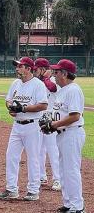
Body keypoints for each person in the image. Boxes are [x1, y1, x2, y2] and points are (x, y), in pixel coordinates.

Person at [0, 56, 48, 201]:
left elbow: (43, 105)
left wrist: (23, 108)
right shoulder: (16, 83)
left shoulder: (37, 84)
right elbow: (8, 100)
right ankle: (11, 189)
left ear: (28, 68)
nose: (17, 68)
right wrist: (11, 109)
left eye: (20, 66)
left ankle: (33, 191)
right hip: (17, 126)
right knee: (11, 156)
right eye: (17, 66)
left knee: (33, 158)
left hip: (32, 125)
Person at [49, 59, 85, 213]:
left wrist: (54, 125)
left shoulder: (73, 90)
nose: (54, 74)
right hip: (62, 134)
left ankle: (78, 206)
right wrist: (51, 124)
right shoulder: (62, 90)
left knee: (71, 170)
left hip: (72, 133)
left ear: (64, 74)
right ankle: (69, 203)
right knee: (63, 170)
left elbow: (75, 116)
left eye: (56, 72)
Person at [33, 58, 61, 191]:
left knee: (52, 149)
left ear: (43, 69)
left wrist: (45, 78)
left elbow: (53, 88)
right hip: (40, 116)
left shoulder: (54, 79)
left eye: (37, 69)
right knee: (39, 149)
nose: (35, 71)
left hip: (51, 116)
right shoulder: (38, 82)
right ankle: (42, 176)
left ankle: (57, 179)